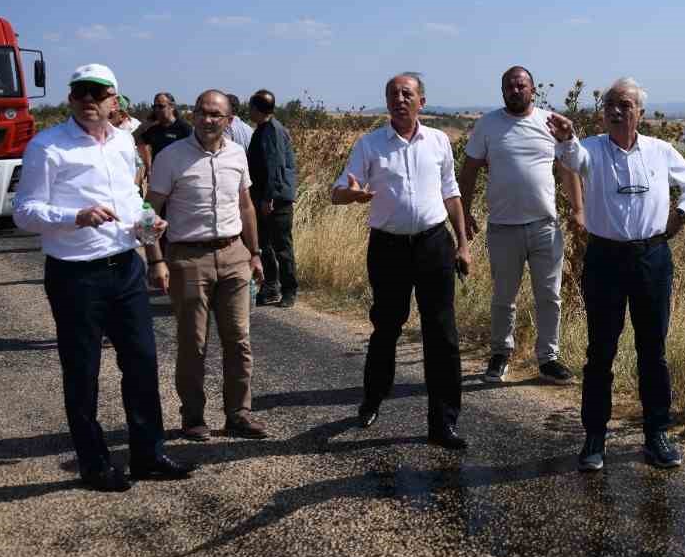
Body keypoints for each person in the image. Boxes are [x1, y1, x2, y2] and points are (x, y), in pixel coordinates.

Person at [12, 63, 195, 492]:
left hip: (126, 267)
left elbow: (131, 199)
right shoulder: (48, 147)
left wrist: (151, 229)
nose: (90, 100)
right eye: (81, 93)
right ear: (72, 99)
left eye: (99, 93)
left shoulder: (123, 143)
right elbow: (23, 212)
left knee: (143, 364)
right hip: (76, 276)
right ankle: (93, 464)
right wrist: (75, 217)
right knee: (83, 372)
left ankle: (147, 455)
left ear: (115, 100)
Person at [549, 77, 685, 473]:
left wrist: (682, 214)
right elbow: (572, 161)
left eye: (624, 105)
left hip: (652, 259)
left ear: (640, 113)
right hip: (605, 260)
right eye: (609, 105)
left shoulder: (660, 151)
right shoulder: (593, 150)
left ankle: (656, 435)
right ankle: (594, 437)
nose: (616, 111)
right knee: (600, 352)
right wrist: (567, 139)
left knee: (653, 351)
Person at [331, 73, 470, 450]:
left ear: (421, 101)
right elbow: (337, 192)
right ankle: (373, 399)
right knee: (387, 327)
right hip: (388, 248)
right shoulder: (369, 144)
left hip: (433, 245)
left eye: (407, 94)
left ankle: (443, 422)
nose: (399, 99)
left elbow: (452, 194)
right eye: (392, 94)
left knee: (442, 334)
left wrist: (462, 244)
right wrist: (353, 195)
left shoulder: (439, 141)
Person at [144, 90, 270, 441]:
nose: (208, 119)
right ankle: (193, 417)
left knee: (239, 341)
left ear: (230, 120)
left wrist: (255, 252)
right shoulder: (171, 157)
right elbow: (147, 212)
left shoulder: (237, 154)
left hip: (234, 255)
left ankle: (239, 414)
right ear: (194, 115)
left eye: (216, 114)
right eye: (202, 112)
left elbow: (245, 206)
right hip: (188, 258)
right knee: (192, 343)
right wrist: (155, 259)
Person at [458, 66, 578, 385]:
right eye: (510, 86)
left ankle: (549, 358)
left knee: (550, 296)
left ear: (533, 90)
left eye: (521, 85)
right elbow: (468, 172)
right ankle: (500, 354)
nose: (516, 90)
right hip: (503, 227)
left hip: (545, 227)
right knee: (503, 296)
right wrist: (464, 213)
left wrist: (579, 210)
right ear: (503, 92)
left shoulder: (550, 123)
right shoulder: (488, 125)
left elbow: (568, 168)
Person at [247, 89, 299, 308]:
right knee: (265, 245)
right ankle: (270, 287)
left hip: (275, 200)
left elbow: (275, 167)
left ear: (257, 109)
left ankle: (289, 290)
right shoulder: (263, 129)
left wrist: (269, 198)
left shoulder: (272, 131)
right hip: (263, 197)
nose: (249, 111)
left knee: (282, 247)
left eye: (250, 107)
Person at [136, 92, 192, 172]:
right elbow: (137, 140)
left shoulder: (184, 128)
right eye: (154, 107)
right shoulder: (153, 129)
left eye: (161, 106)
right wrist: (148, 165)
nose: (157, 110)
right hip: (159, 174)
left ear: (172, 107)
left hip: (179, 174)